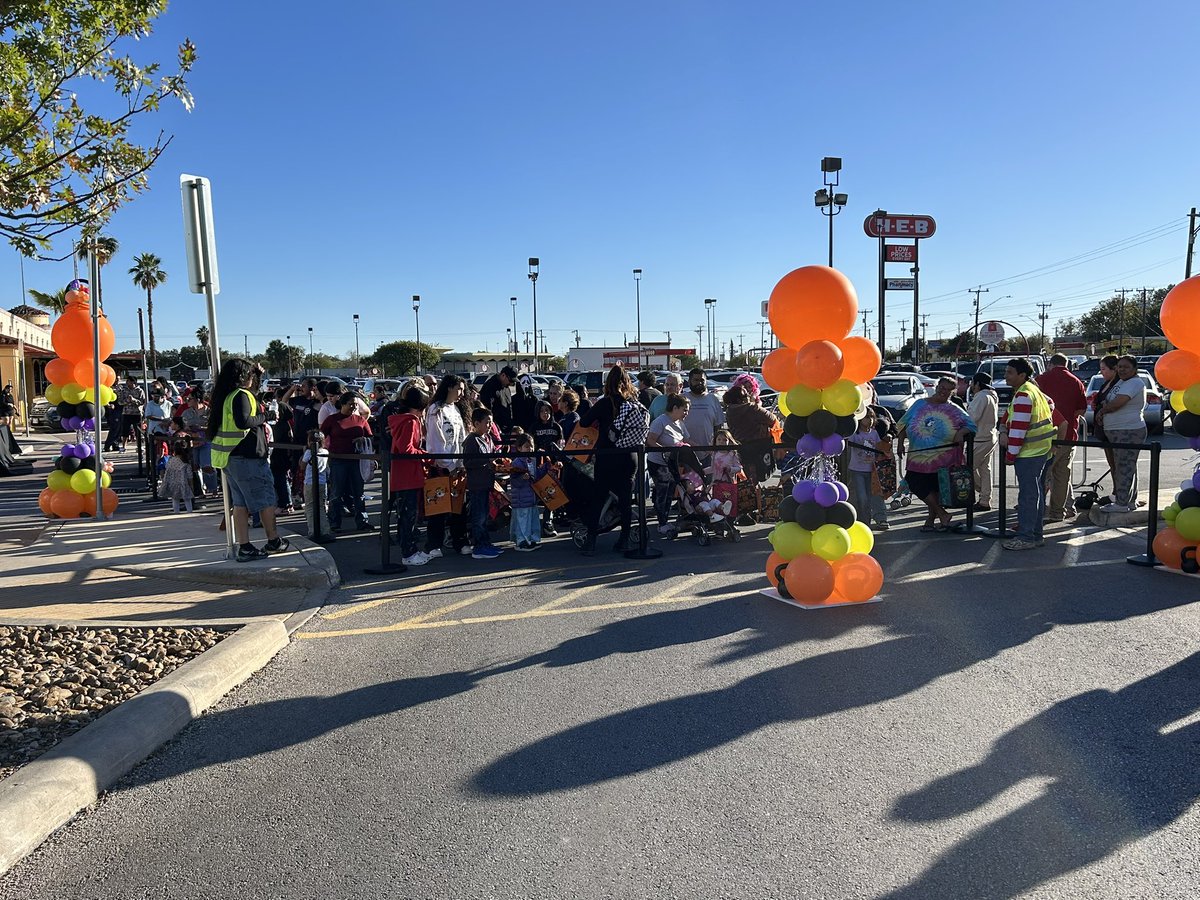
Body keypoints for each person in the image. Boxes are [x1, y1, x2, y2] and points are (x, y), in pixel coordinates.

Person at [207, 358, 292, 561]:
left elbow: (250, 400)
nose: (252, 377)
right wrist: (267, 416)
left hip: (231, 457)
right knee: (265, 501)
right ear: (243, 376)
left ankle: (244, 546)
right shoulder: (242, 395)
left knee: (241, 504)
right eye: (250, 374)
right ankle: (273, 541)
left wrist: (259, 374)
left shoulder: (228, 395)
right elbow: (244, 421)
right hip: (248, 458)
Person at [897, 376, 977, 533]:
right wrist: (900, 443)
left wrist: (961, 433)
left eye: (948, 390)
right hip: (918, 457)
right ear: (936, 386)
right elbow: (903, 423)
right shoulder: (920, 404)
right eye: (941, 388)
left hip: (943, 457)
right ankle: (942, 514)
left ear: (952, 392)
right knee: (915, 483)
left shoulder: (954, 409)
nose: (943, 392)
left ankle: (931, 521)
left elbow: (972, 426)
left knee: (935, 489)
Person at [578, 365, 639, 554]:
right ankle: (624, 539)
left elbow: (584, 422)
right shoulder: (632, 403)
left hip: (607, 456)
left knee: (598, 498)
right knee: (625, 501)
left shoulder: (605, 403)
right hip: (629, 456)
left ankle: (591, 541)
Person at [999, 358, 1057, 550]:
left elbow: (1019, 429)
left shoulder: (1024, 394)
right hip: (1041, 451)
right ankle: (1035, 534)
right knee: (1036, 494)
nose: (1005, 375)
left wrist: (1010, 455)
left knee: (1028, 497)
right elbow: (1051, 404)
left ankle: (1026, 537)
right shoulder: (1033, 391)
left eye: (1009, 372)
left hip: (1029, 453)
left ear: (1022, 375)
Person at [1037, 353, 1088, 521]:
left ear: (1051, 364)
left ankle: (1037, 511)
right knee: (1062, 475)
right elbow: (1081, 409)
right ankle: (1059, 512)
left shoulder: (1042, 379)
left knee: (1042, 475)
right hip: (1069, 435)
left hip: (1044, 436)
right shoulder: (1076, 381)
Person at [424, 374, 469, 557]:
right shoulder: (436, 409)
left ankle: (460, 540)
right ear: (449, 387)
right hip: (441, 466)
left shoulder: (456, 410)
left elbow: (462, 437)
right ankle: (434, 544)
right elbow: (435, 441)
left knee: (460, 506)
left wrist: (461, 462)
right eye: (459, 389)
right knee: (438, 506)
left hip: (458, 466)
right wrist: (448, 465)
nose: (461, 393)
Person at [1095, 355, 1146, 513]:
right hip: (1118, 431)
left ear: (1134, 369)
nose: (1121, 369)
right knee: (1126, 466)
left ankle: (1121, 504)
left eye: (1126, 367)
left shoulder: (1134, 382)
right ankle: (1129, 501)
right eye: (1120, 366)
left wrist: (1103, 410)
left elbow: (1119, 402)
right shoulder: (1123, 382)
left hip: (1128, 430)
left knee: (1124, 467)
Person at [389, 382, 430, 566]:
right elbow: (406, 449)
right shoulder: (411, 421)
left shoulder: (401, 419)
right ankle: (409, 553)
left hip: (402, 474)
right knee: (409, 516)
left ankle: (410, 550)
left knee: (405, 516)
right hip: (409, 474)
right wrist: (425, 455)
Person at [646, 393, 690, 531]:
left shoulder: (680, 423)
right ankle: (662, 523)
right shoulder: (660, 421)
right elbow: (650, 440)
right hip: (658, 462)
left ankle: (664, 520)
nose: (686, 413)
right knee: (662, 492)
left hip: (671, 463)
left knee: (670, 492)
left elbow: (686, 440)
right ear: (675, 408)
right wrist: (664, 450)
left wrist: (705, 448)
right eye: (685, 410)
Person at [464, 408, 503, 559]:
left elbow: (492, 456)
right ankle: (479, 546)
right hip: (477, 484)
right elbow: (468, 462)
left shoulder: (488, 439)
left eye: (491, 422)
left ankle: (485, 542)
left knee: (485, 515)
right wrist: (487, 460)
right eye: (487, 422)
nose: (489, 425)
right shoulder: (471, 440)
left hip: (487, 482)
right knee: (478, 516)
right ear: (476, 423)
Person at [722, 379, 779, 484]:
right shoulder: (752, 408)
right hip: (759, 446)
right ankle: (758, 497)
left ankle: (750, 497)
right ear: (742, 399)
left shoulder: (729, 412)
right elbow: (772, 419)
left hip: (741, 446)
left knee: (747, 478)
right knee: (761, 474)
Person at [846, 409, 889, 530]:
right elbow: (848, 444)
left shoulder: (874, 433)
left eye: (871, 417)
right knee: (862, 498)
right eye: (866, 418)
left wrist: (886, 441)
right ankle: (864, 522)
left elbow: (880, 447)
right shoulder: (855, 434)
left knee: (875, 495)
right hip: (857, 470)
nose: (869, 420)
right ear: (859, 419)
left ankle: (880, 518)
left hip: (873, 470)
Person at [508, 432, 549, 551]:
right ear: (519, 448)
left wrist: (546, 467)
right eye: (526, 446)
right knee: (522, 521)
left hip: (531, 497)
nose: (530, 448)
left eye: (531, 445)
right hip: (521, 498)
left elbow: (535, 476)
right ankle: (521, 542)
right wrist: (522, 478)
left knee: (532, 520)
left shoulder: (532, 461)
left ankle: (531, 539)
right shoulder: (516, 462)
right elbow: (514, 482)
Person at [966, 372, 1000, 511]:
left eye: (972, 383)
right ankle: (985, 499)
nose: (971, 386)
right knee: (985, 469)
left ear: (978, 384)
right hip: (990, 436)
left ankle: (981, 492)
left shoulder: (981, 397)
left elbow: (972, 418)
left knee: (968, 467)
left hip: (979, 438)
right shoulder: (992, 395)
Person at [1091, 354, 1121, 500]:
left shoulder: (1119, 384)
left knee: (1119, 464)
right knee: (1112, 464)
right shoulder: (1106, 383)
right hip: (1104, 429)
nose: (1101, 372)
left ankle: (1120, 494)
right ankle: (1116, 492)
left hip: (1116, 428)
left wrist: (1103, 407)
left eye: (1103, 369)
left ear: (1114, 369)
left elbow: (1115, 403)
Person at [681, 368, 725, 460]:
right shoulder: (682, 399)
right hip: (684, 452)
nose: (699, 383)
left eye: (702, 380)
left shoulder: (713, 399)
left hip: (708, 452)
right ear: (689, 382)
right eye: (696, 380)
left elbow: (718, 427)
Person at [298, 429, 332, 542]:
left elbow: (302, 466)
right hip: (322, 482)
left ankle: (313, 532)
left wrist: (304, 454)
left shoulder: (308, 453)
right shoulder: (325, 452)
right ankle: (325, 531)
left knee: (310, 508)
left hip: (310, 483)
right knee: (321, 507)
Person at [478, 365, 517, 435]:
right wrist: (495, 429)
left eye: (513, 382)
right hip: (496, 430)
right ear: (503, 375)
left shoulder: (506, 388)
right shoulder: (489, 387)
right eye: (510, 380)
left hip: (508, 428)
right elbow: (486, 411)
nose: (511, 384)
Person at [161, 438, 195, 513]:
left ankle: (176, 512)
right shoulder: (186, 462)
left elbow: (167, 470)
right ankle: (190, 512)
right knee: (187, 499)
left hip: (172, 482)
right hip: (183, 482)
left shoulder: (171, 460)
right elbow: (189, 475)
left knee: (175, 499)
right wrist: (191, 485)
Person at [116, 375, 146, 452]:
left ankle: (139, 447)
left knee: (138, 431)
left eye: (128, 381)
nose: (127, 383)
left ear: (133, 382)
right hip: (126, 413)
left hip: (137, 414)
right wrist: (127, 401)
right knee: (125, 431)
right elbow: (120, 402)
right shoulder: (124, 391)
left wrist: (133, 400)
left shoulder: (140, 391)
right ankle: (123, 446)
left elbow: (142, 402)